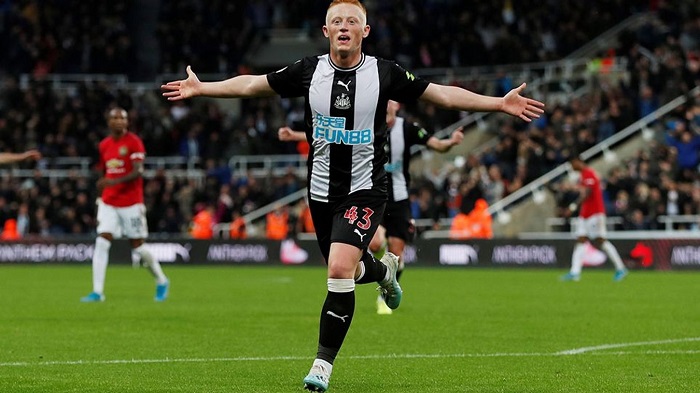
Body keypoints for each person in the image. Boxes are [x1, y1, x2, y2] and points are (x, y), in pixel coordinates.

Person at [162, 1, 544, 390]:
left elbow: (441, 95)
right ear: (326, 32)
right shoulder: (308, 71)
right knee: (353, 268)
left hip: (366, 190)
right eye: (336, 22)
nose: (344, 27)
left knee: (339, 270)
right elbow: (252, 84)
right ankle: (384, 272)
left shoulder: (384, 72)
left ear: (365, 31)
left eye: (352, 21)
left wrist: (498, 103)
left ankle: (322, 365)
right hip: (321, 192)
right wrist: (202, 88)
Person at [80, 107, 170, 303]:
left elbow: (138, 172)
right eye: (115, 118)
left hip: (131, 202)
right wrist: (101, 193)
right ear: (109, 122)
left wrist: (113, 182)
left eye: (122, 118)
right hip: (109, 201)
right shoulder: (104, 145)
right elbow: (105, 174)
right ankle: (97, 292)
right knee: (102, 241)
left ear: (127, 122)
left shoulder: (134, 142)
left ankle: (162, 280)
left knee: (137, 247)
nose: (119, 121)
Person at [561, 156, 628, 282]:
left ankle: (621, 268)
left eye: (572, 164)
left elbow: (588, 192)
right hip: (585, 214)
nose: (572, 167)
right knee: (580, 240)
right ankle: (574, 272)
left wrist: (573, 206)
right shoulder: (582, 175)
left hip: (595, 213)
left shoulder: (589, 173)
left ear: (578, 161)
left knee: (601, 241)